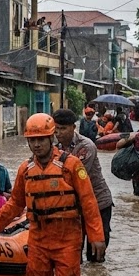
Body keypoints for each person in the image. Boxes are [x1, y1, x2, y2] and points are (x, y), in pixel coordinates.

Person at [0, 113, 106, 276]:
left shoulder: (71, 165)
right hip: (38, 237)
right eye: (32, 140)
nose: (36, 144)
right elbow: (15, 203)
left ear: (51, 138)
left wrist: (96, 237)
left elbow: (88, 202)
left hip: (67, 237)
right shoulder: (25, 169)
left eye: (41, 139)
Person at [53, 109, 114, 257]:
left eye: (63, 128)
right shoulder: (53, 146)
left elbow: (73, 178)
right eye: (56, 129)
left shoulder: (86, 146)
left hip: (98, 203)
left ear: (73, 127)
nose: (59, 133)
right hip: (73, 206)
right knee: (73, 254)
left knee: (96, 256)